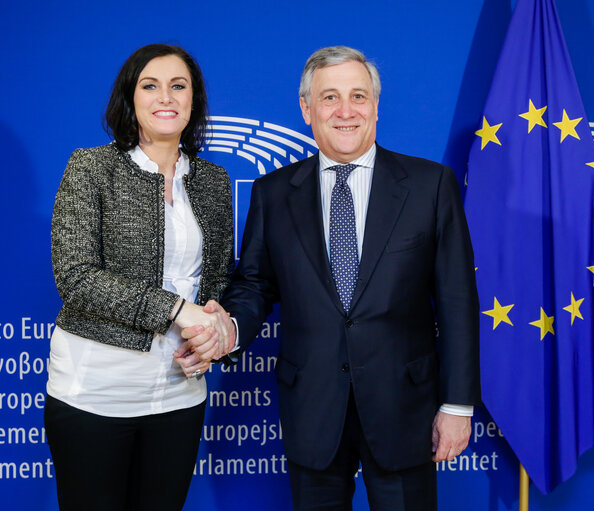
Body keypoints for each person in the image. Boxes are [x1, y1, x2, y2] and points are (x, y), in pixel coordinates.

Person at [183, 46, 480, 510]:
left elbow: (458, 302)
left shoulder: (430, 186)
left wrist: (458, 405)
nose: (346, 111)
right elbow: (255, 285)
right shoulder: (274, 193)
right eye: (330, 98)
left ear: (376, 106)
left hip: (405, 407)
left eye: (358, 96)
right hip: (313, 409)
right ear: (306, 109)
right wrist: (230, 328)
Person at [45, 43, 233, 511]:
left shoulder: (214, 180)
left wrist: (214, 331)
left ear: (194, 100)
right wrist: (175, 309)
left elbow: (218, 280)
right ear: (131, 98)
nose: (165, 97)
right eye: (150, 86)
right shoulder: (91, 167)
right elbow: (77, 277)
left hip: (180, 394)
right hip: (95, 393)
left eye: (178, 85)